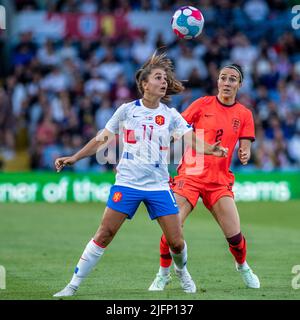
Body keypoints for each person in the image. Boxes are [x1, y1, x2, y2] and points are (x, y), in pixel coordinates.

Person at [53, 52, 228, 297]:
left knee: (176, 242)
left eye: (165, 78)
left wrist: (212, 149)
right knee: (104, 234)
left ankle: (182, 273)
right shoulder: (126, 110)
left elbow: (192, 140)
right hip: (127, 183)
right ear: (145, 84)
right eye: (158, 77)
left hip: (158, 186)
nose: (164, 81)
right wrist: (75, 156)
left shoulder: (170, 114)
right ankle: (72, 285)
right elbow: (102, 139)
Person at [149, 64, 261, 291]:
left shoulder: (244, 114)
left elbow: (245, 143)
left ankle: (242, 266)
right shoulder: (202, 104)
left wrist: (245, 152)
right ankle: (163, 273)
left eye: (232, 79)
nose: (227, 83)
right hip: (189, 175)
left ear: (240, 84)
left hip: (219, 180)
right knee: (172, 227)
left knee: (235, 237)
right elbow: (176, 128)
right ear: (217, 81)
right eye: (223, 78)